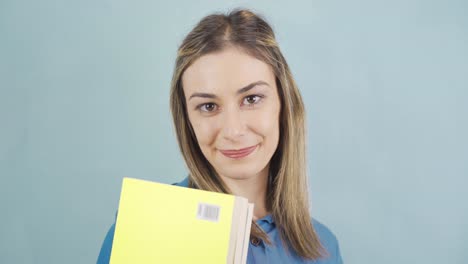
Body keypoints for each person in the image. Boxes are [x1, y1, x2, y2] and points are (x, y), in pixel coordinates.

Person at [97, 9, 343, 264]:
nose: (233, 130)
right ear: (187, 120)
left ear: (284, 103)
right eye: (208, 106)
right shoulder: (142, 232)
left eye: (252, 99)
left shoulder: (323, 248)